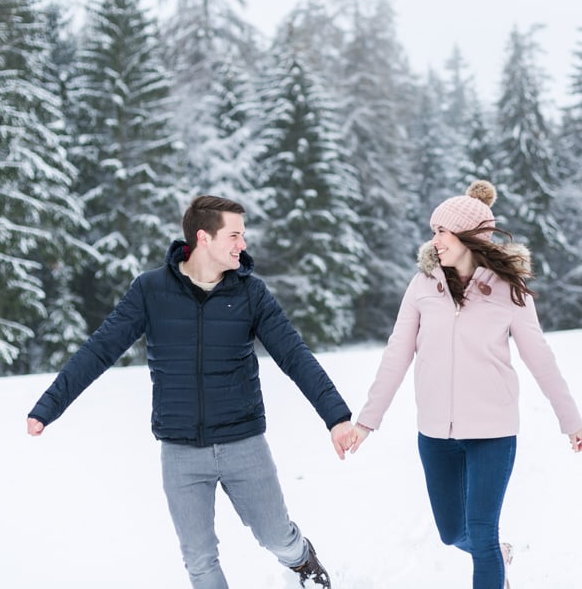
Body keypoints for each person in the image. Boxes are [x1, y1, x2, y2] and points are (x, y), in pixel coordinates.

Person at [26, 195, 354, 589]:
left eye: (243, 235)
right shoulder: (151, 290)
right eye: (234, 235)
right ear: (204, 238)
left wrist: (336, 416)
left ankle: (302, 561)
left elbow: (295, 356)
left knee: (275, 536)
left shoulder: (251, 293)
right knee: (199, 560)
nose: (242, 245)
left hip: (243, 442)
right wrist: (49, 406)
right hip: (181, 451)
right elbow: (100, 349)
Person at [349, 180, 582, 589]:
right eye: (434, 230)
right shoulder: (423, 285)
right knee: (452, 534)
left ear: (469, 236)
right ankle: (498, 553)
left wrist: (571, 420)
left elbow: (540, 358)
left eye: (442, 230)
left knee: (481, 532)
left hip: (493, 433)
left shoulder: (508, 290)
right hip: (435, 434)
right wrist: (367, 421)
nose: (434, 239)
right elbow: (396, 354)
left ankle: (492, 558)